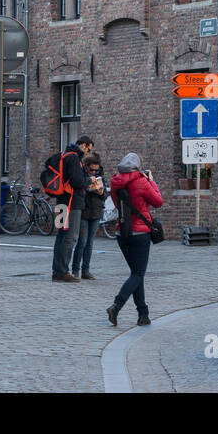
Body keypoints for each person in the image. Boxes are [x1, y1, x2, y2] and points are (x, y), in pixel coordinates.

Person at [106, 153, 163, 326]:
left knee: (136, 274)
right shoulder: (142, 181)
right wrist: (151, 181)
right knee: (138, 274)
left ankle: (143, 315)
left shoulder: (115, 182)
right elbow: (158, 202)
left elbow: (117, 205)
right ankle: (117, 305)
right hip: (140, 233)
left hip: (121, 232)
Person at [50, 137, 92, 282]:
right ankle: (62, 272)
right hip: (72, 204)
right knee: (70, 237)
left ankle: (57, 270)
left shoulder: (65, 156)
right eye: (88, 148)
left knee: (60, 236)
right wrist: (90, 180)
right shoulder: (74, 159)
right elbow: (77, 181)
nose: (88, 152)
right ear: (83, 145)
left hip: (61, 201)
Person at [74, 151, 106, 280]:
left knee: (90, 243)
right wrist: (88, 188)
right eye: (92, 170)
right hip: (84, 211)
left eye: (96, 170)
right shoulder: (81, 176)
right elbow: (77, 192)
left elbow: (105, 195)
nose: (94, 172)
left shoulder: (100, 175)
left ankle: (85, 270)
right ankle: (75, 270)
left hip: (96, 212)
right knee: (82, 242)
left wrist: (101, 193)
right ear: (86, 166)